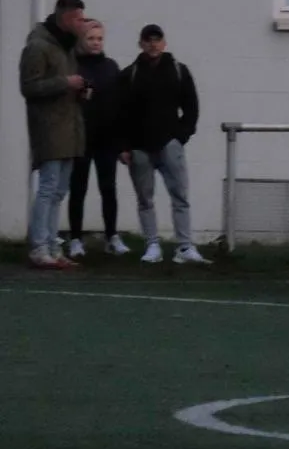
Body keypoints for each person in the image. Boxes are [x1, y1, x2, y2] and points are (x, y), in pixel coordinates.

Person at [120, 23, 207, 265]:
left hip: (170, 145)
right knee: (145, 199)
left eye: (157, 39)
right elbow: (120, 114)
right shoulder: (129, 75)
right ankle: (152, 245)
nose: (153, 44)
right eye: (148, 40)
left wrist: (180, 138)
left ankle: (185, 246)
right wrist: (124, 146)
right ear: (141, 43)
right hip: (139, 148)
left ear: (164, 42)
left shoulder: (179, 71)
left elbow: (191, 108)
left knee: (180, 196)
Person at [19, 0, 89, 269]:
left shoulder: (67, 46)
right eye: (80, 19)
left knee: (59, 191)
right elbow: (29, 86)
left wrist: (80, 90)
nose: (83, 24)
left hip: (70, 127)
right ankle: (39, 247)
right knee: (48, 189)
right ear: (67, 18)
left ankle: (52, 246)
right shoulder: (38, 46)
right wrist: (65, 82)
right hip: (49, 128)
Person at [65, 19, 127, 258]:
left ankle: (112, 236)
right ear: (82, 40)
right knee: (78, 189)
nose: (96, 43)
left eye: (99, 38)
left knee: (108, 188)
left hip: (107, 139)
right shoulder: (72, 65)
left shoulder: (111, 66)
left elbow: (120, 106)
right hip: (80, 138)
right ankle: (76, 239)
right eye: (91, 38)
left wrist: (122, 144)